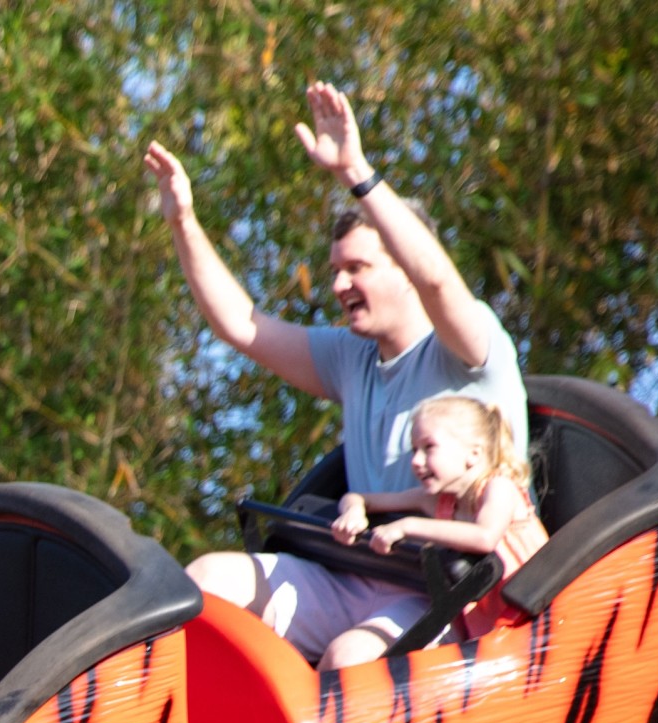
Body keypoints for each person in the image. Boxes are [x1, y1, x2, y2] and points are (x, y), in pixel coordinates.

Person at [144, 82, 528, 666]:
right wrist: (183, 221)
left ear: (401, 268)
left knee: (349, 660)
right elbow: (240, 327)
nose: (339, 285)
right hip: (356, 571)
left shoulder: (470, 351)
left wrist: (357, 172)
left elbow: (439, 282)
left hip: (444, 593)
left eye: (357, 268)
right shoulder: (353, 357)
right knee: (204, 585)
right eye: (335, 270)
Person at [322, 396, 550, 668]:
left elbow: (484, 537)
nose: (416, 461)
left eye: (428, 447)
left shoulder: (499, 487)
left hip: (531, 618)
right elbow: (360, 497)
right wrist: (353, 513)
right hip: (484, 628)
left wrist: (407, 526)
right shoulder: (439, 500)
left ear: (473, 454)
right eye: (414, 450)